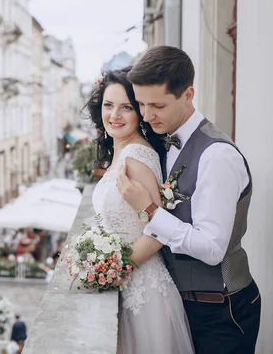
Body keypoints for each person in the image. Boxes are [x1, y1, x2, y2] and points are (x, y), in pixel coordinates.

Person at [116, 46, 261, 353]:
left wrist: (150, 210)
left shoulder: (216, 156)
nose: (146, 115)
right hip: (180, 306)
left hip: (221, 311)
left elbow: (211, 249)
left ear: (188, 94)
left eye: (157, 105)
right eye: (140, 104)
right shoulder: (162, 141)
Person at [83, 67, 194, 353]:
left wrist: (114, 269)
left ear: (139, 113)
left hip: (143, 291)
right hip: (125, 281)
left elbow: (158, 231)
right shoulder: (120, 151)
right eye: (109, 105)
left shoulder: (138, 156)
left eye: (126, 107)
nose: (115, 115)